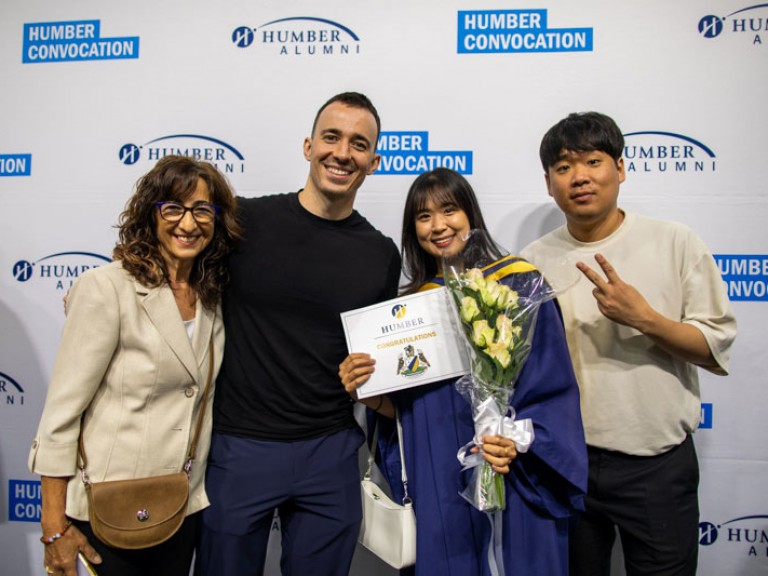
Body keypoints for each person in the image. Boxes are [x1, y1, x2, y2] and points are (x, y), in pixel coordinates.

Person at [339, 168, 588, 575]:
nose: (438, 226)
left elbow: (553, 389)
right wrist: (368, 395)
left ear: (470, 214)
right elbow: (409, 418)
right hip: (441, 477)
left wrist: (522, 440)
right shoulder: (411, 311)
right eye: (423, 216)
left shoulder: (519, 286)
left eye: (449, 210)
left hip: (514, 470)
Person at [520, 112, 737, 576]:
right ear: (548, 183)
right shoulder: (530, 263)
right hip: (563, 463)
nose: (579, 177)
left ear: (620, 168)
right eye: (563, 168)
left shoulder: (675, 242)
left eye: (593, 161)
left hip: (655, 467)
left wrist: (646, 319)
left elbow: (713, 346)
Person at [195, 92, 401, 576]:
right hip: (238, 447)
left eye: (358, 143)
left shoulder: (380, 253)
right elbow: (175, 255)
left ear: (373, 161)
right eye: (331, 137)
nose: (342, 152)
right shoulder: (243, 222)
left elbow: (382, 353)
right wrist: (118, 282)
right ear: (309, 146)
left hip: (330, 453)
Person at [28, 155, 241, 576]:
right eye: (173, 208)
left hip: (181, 508)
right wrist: (54, 526)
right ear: (150, 214)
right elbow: (60, 418)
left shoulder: (213, 298)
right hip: (108, 512)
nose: (188, 222)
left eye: (202, 210)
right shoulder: (107, 288)